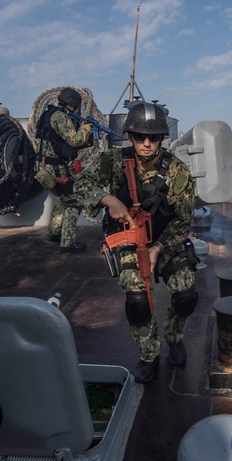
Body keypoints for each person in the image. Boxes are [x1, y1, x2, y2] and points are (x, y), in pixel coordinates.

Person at [74, 101, 199, 383]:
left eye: (153, 137)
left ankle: (174, 337)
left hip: (165, 240)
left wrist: (158, 248)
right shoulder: (114, 162)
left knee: (186, 294)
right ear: (129, 137)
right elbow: (81, 184)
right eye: (139, 137)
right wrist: (109, 199)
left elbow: (183, 219)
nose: (146, 143)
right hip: (129, 241)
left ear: (161, 139)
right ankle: (149, 353)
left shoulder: (178, 172)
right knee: (137, 300)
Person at [35, 87, 94, 253]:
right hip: (55, 168)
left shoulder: (48, 115)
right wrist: (86, 129)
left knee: (64, 197)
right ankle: (68, 243)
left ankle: (54, 232)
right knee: (74, 201)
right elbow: (75, 140)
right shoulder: (60, 117)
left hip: (46, 166)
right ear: (72, 105)